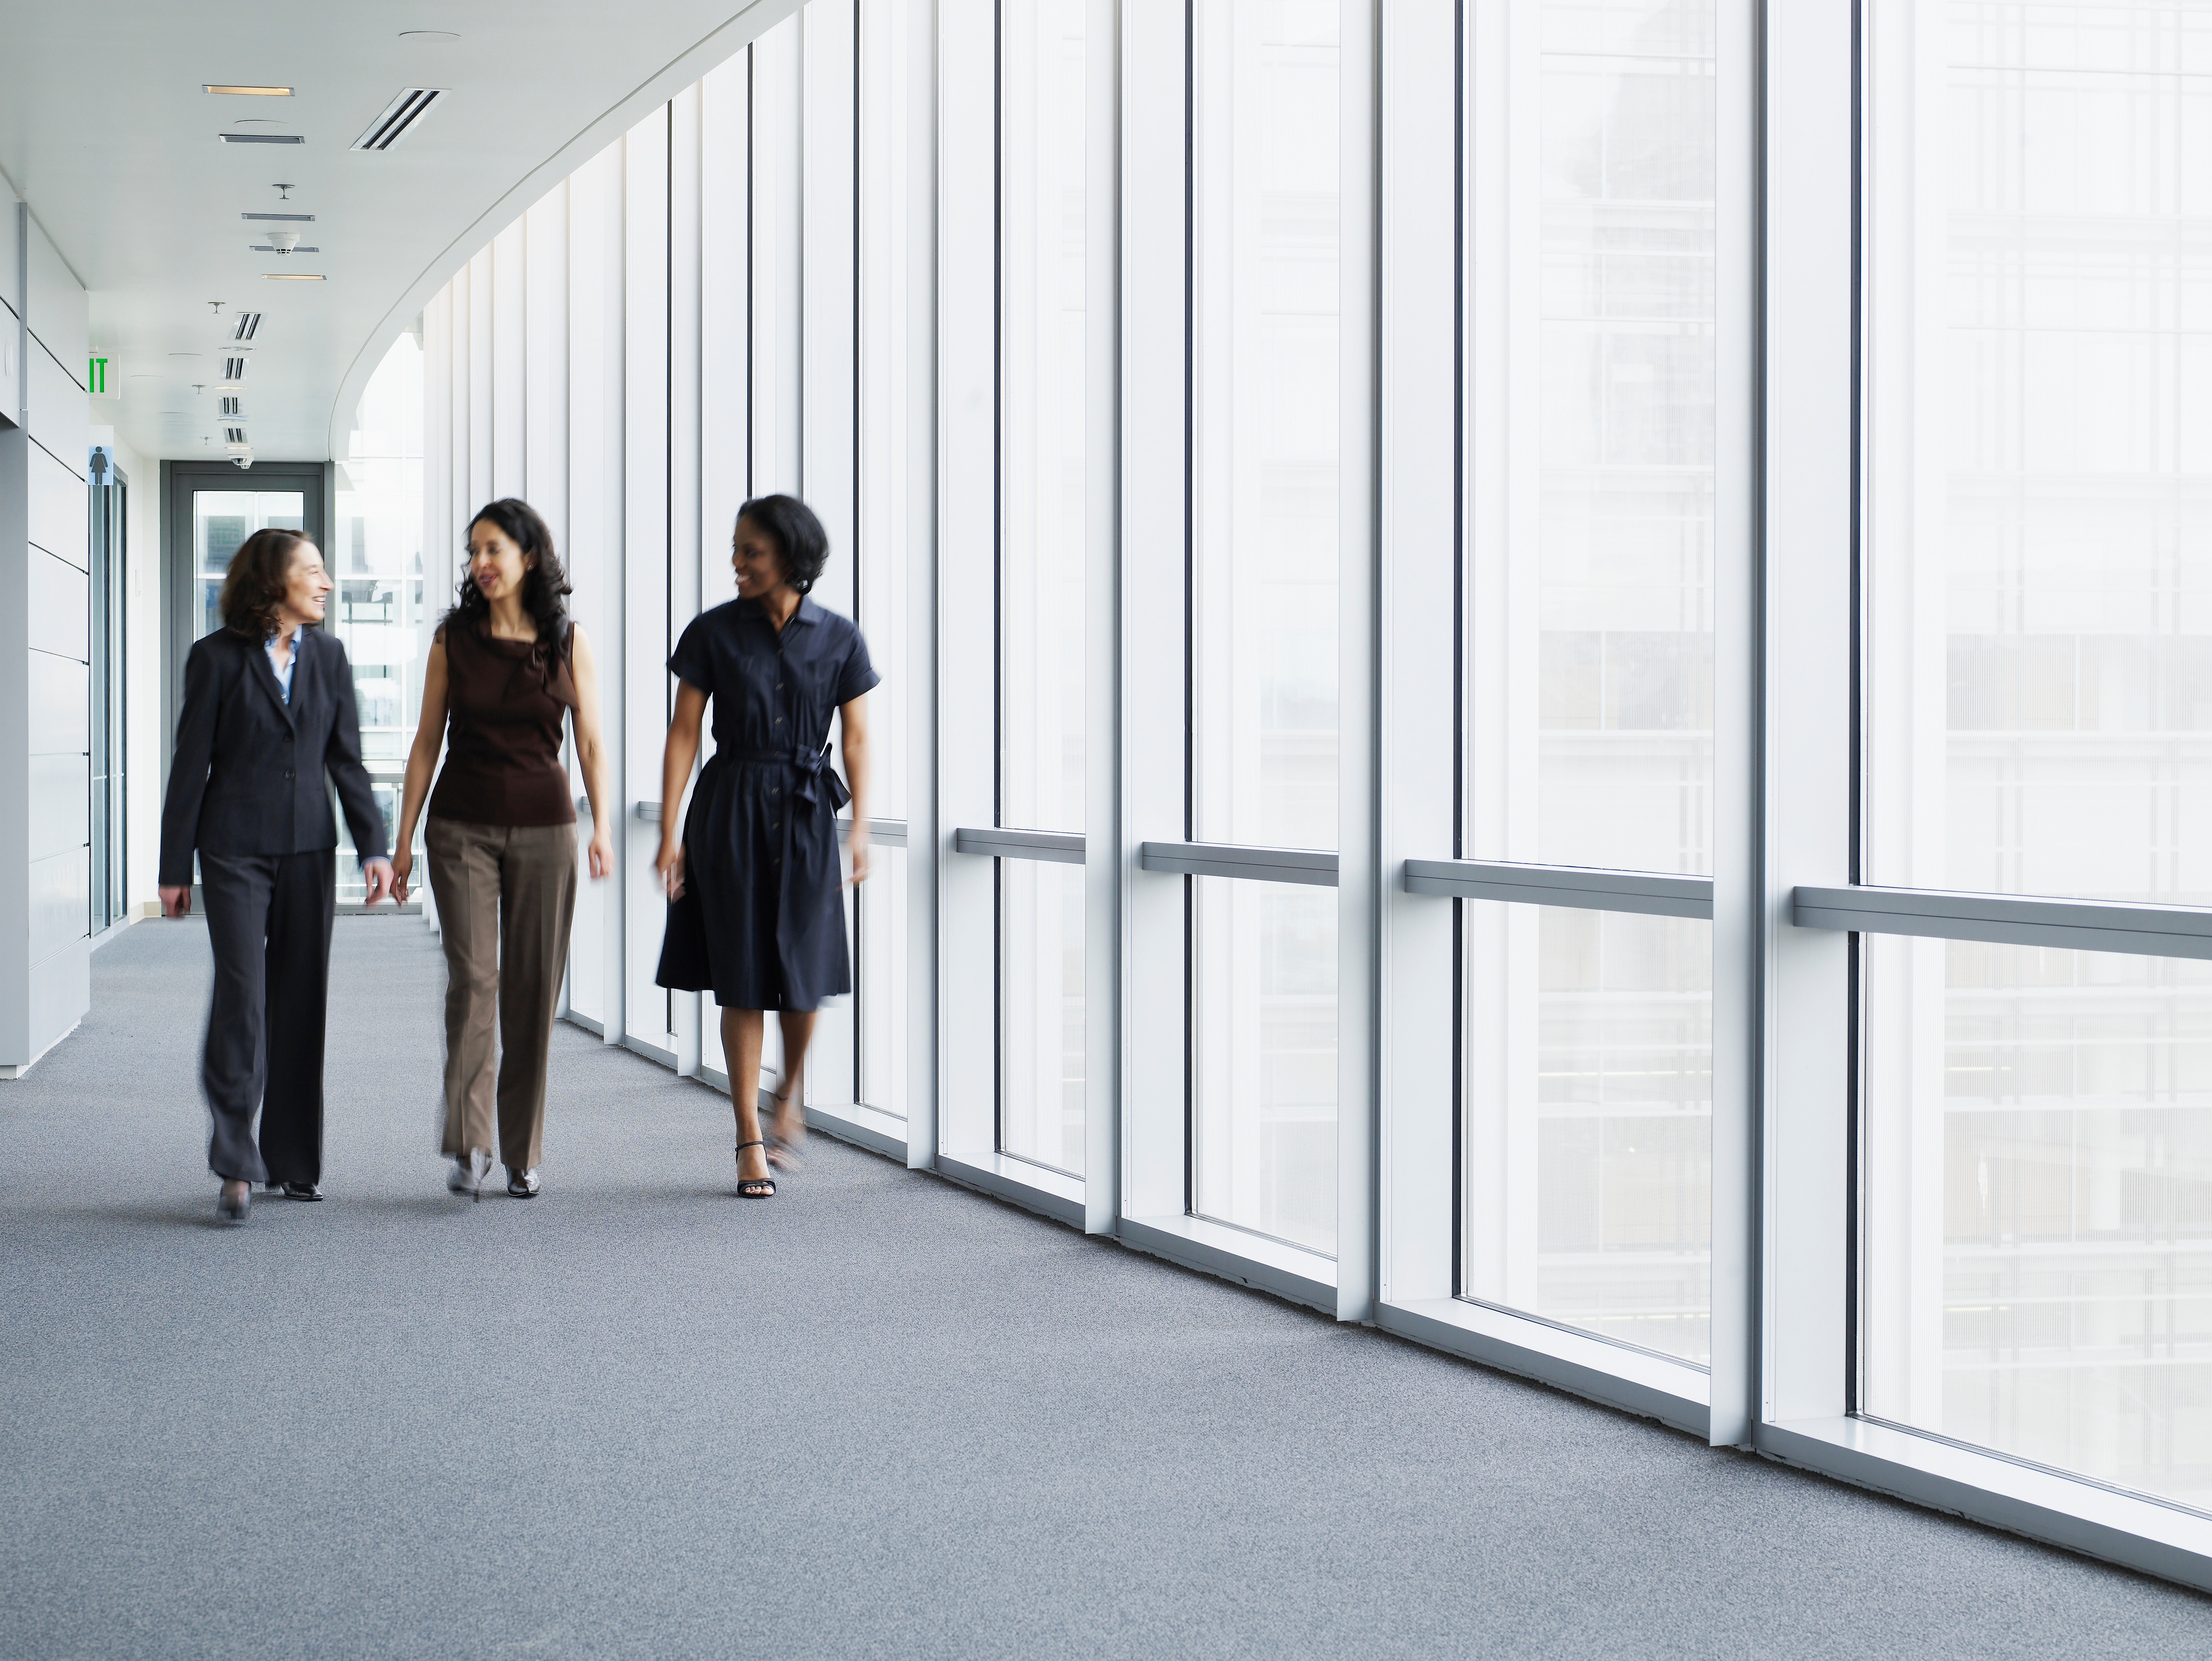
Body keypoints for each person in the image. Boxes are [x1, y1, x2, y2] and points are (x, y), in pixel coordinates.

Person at [158, 528, 393, 1224]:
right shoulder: (216, 659)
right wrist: (175, 867)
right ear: (273, 582)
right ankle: (235, 1156)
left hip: (308, 850)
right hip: (231, 847)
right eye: (312, 571)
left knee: (300, 996)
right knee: (243, 992)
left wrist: (372, 849)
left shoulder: (329, 656)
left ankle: (291, 1162)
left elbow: (346, 761)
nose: (324, 584)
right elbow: (189, 765)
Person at [654, 495, 878, 1199]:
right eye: (736, 549)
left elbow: (858, 736)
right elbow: (684, 734)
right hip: (729, 810)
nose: (738, 563)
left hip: (808, 811)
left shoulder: (839, 637)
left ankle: (791, 1092)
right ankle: (749, 1137)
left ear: (790, 555)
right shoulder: (712, 634)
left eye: (751, 550)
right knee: (743, 974)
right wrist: (669, 832)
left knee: (804, 977)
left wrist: (862, 826)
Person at [389, 500, 613, 1200]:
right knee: (474, 982)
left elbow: (592, 744)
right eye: (473, 552)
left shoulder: (568, 642)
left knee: (531, 990)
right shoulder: (451, 640)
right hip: (460, 829)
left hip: (548, 832)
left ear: (529, 558)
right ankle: (469, 1141)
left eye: (493, 550)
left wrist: (602, 826)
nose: (480, 564)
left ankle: (521, 1148)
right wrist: (401, 845)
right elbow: (426, 743)